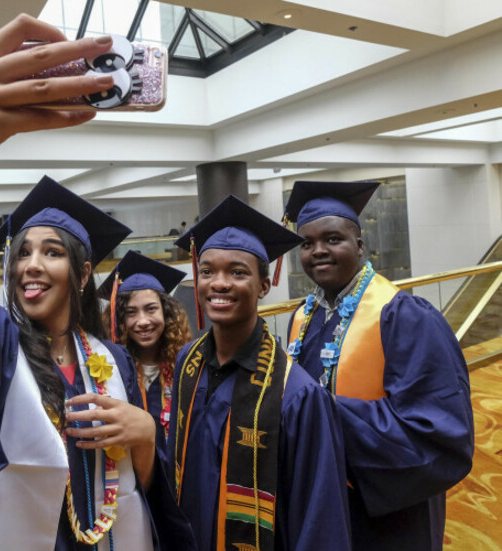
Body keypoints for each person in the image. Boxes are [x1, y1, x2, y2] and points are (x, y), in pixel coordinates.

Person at [0, 15, 193, 551]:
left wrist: (144, 436)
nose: (30, 266)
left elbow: (146, 488)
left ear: (85, 272)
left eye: (51, 252)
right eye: (22, 253)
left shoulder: (112, 361)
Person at [283, 180, 474, 551]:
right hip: (320, 500)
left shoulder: (404, 317)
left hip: (386, 510)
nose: (318, 251)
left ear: (359, 245)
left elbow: (437, 430)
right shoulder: (302, 318)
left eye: (332, 238)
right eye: (307, 243)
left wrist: (325, 414)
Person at [169, 195, 352, 551]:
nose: (218, 283)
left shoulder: (296, 395)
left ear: (264, 287)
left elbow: (319, 517)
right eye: (207, 271)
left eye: (237, 272)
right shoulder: (186, 364)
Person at [100, 250, 191, 447]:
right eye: (131, 312)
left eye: (151, 309)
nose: (142, 321)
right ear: (119, 320)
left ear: (166, 312)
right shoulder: (110, 371)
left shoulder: (187, 367)